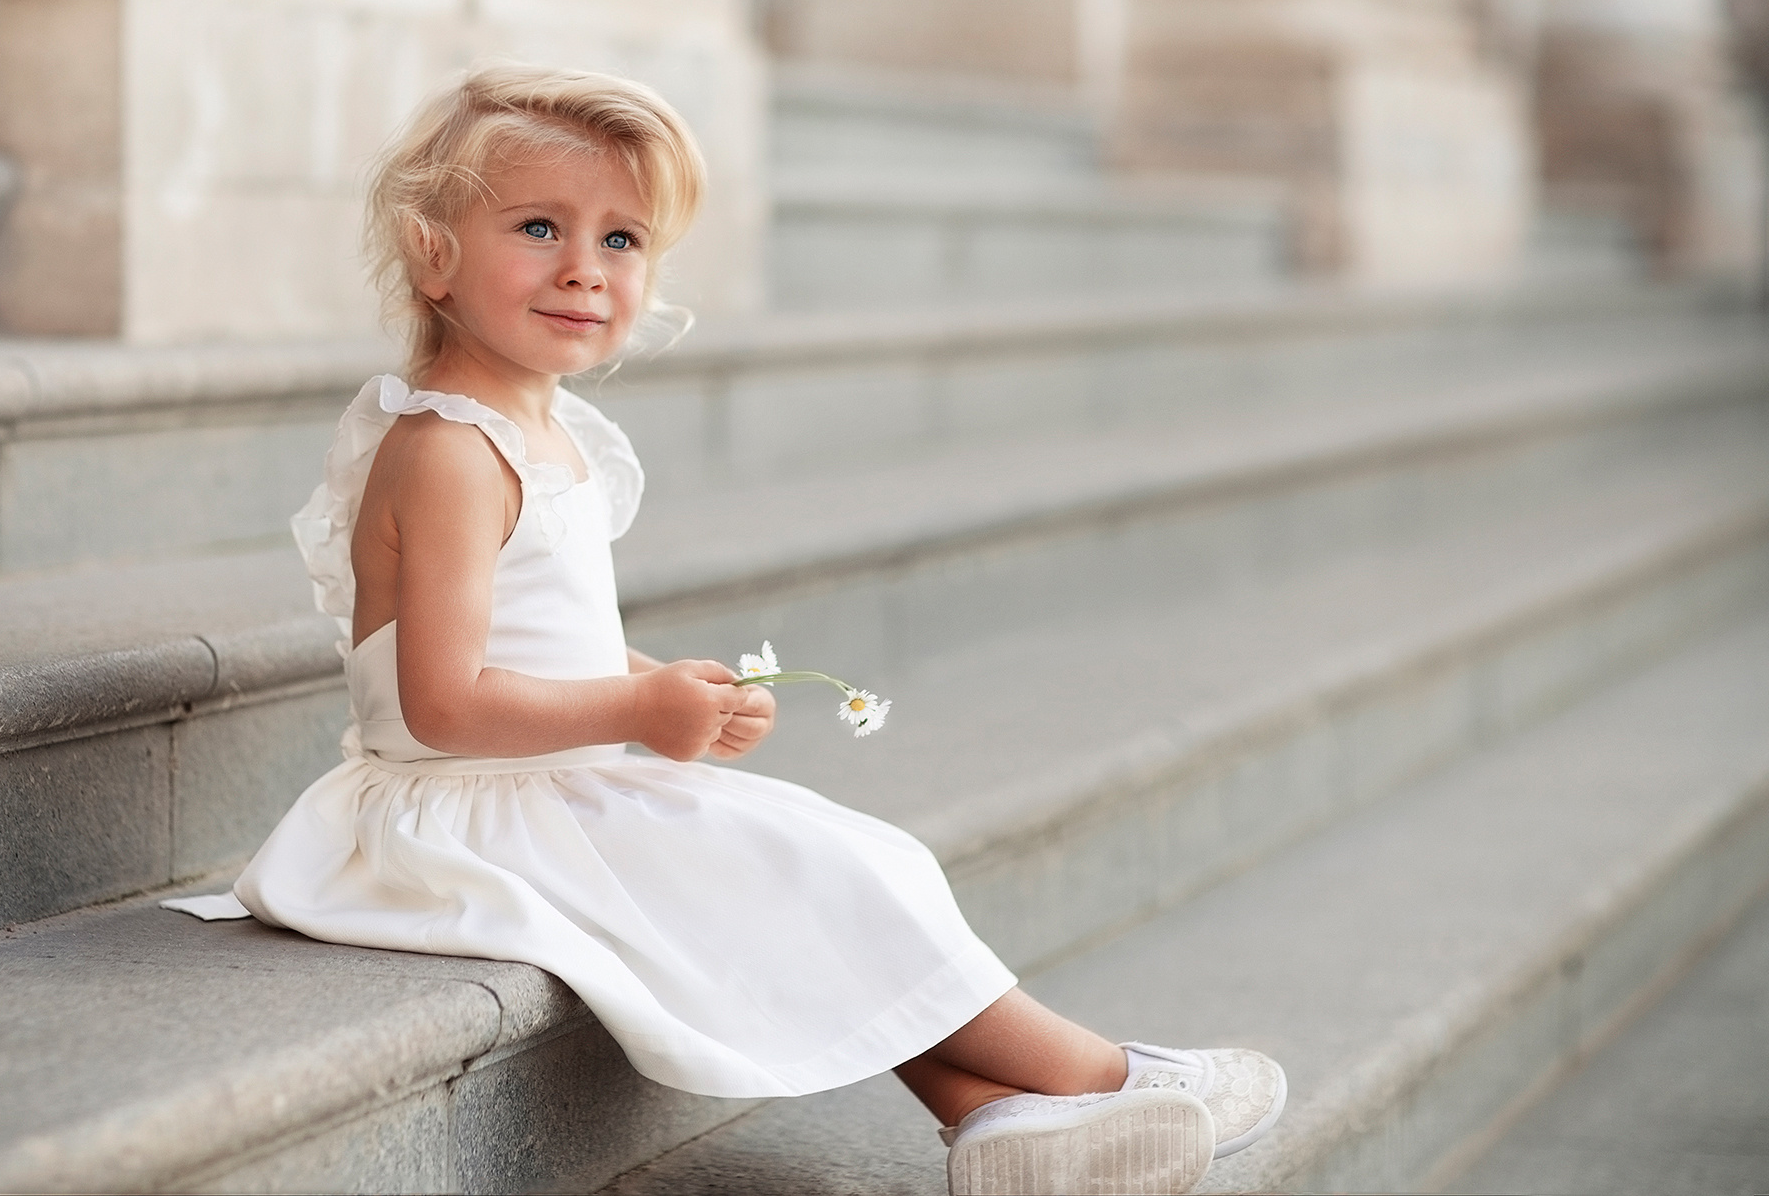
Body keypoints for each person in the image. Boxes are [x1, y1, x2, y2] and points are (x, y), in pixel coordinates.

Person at [165, 64, 1285, 1195]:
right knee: (804, 867)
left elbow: (544, 646)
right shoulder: (452, 450)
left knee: (820, 871)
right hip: (457, 816)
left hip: (535, 787)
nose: (581, 269)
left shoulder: (531, 424)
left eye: (621, 240)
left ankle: (995, 1117)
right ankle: (1104, 1080)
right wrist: (636, 709)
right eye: (540, 227)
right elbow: (443, 704)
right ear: (433, 254)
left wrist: (655, 683)